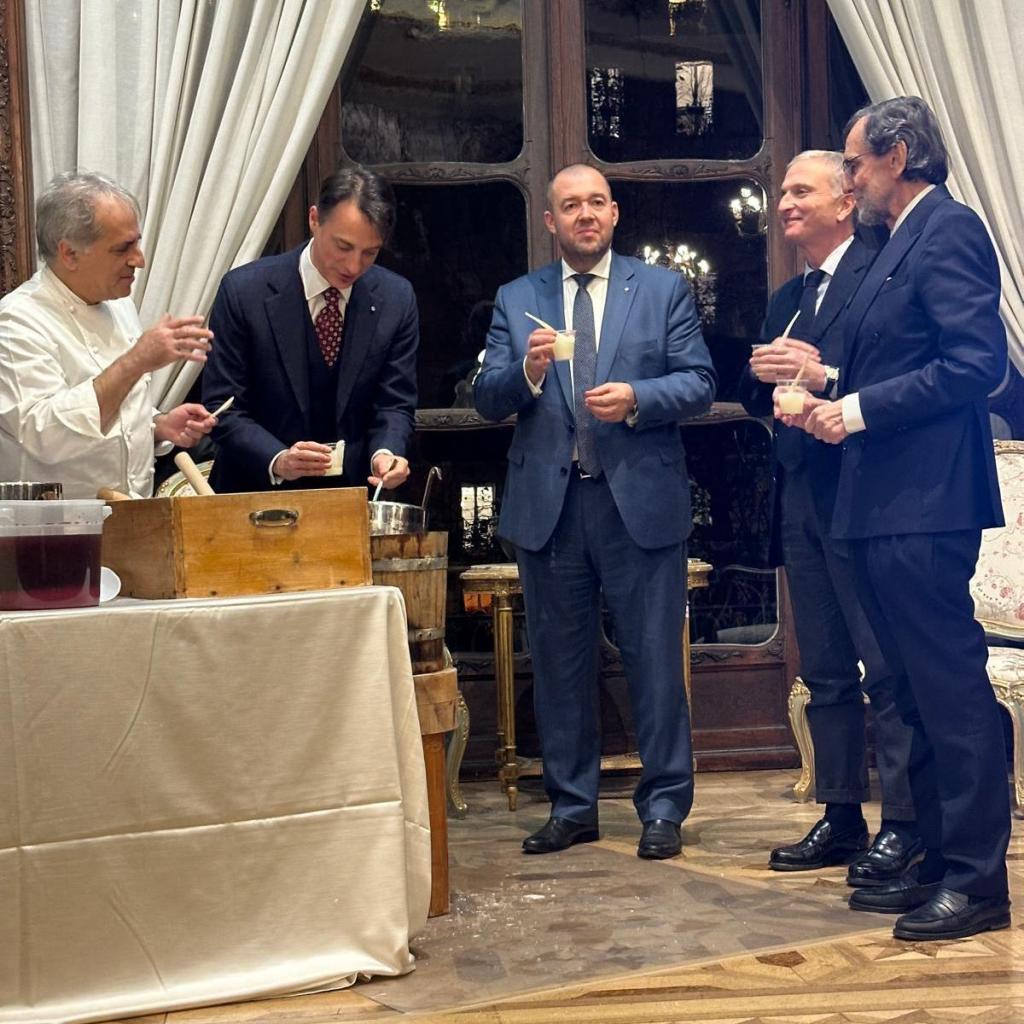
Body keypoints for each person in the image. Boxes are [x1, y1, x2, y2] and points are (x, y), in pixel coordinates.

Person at [791, 96, 1011, 941]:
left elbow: (976, 365)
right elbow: (899, 356)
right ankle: (935, 859)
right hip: (882, 502)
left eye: (854, 164)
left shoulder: (949, 229)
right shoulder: (895, 243)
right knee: (909, 693)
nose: (849, 181)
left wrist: (855, 411)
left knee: (948, 693)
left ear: (899, 154)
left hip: (926, 502)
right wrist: (826, 383)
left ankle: (979, 882)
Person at [474, 164, 716, 859]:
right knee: (558, 666)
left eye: (597, 203)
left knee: (655, 664)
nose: (585, 214)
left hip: (637, 502)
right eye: (571, 205)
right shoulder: (517, 298)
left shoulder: (662, 289)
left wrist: (639, 398)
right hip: (551, 509)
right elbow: (486, 396)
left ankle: (664, 807)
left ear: (614, 214)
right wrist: (528, 373)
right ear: (551, 221)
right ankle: (572, 806)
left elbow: (699, 382)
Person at [738, 151, 919, 884]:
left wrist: (826, 377)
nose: (784, 202)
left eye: (800, 190)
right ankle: (841, 814)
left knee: (886, 667)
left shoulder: (880, 275)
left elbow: (889, 378)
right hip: (802, 496)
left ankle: (904, 822)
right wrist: (762, 375)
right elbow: (759, 393)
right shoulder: (789, 294)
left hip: (866, 493)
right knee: (824, 669)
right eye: (781, 191)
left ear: (846, 202)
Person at [202, 166, 418, 494]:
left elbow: (394, 403)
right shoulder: (244, 292)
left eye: (370, 253)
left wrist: (385, 453)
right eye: (343, 246)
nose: (353, 266)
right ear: (314, 219)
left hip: (351, 496)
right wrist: (277, 459)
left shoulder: (395, 298)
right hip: (254, 493)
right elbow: (222, 406)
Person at [0, 172, 216, 499]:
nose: (139, 260)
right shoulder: (18, 320)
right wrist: (136, 361)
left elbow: (115, 410)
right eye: (123, 248)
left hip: (133, 513)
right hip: (57, 522)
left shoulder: (118, 304)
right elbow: (45, 435)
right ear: (70, 254)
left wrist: (157, 425)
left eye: (137, 243)